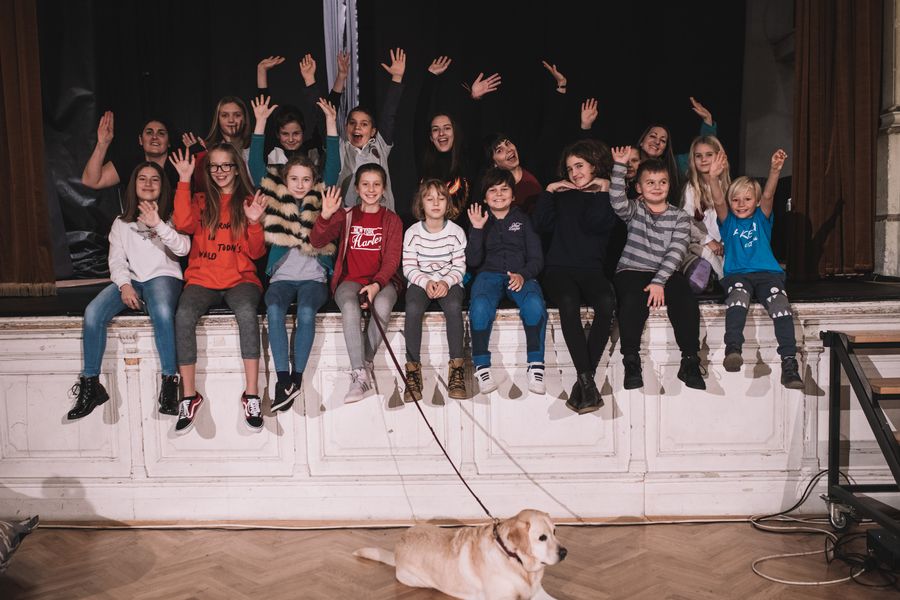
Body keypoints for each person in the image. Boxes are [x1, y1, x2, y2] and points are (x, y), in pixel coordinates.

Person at [66, 162, 190, 420]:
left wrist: (159, 224)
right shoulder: (122, 222)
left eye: (154, 179)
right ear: (134, 185)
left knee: (162, 311)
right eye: (142, 178)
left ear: (162, 185)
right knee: (93, 312)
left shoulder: (173, 215)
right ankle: (91, 384)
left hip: (163, 277)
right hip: (133, 280)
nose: (148, 184)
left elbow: (183, 249)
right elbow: (116, 260)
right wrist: (124, 285)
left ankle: (170, 383)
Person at [169, 144, 268, 434]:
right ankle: (189, 396)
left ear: (237, 169)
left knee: (247, 312)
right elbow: (183, 224)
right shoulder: (200, 200)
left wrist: (254, 222)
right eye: (214, 166)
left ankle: (251, 395)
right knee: (183, 314)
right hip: (203, 279)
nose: (220, 171)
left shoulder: (248, 201)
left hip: (240, 279)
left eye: (226, 165)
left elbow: (256, 252)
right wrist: (184, 179)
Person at [259, 98, 341, 412]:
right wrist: (260, 123)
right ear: (285, 180)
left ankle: (296, 378)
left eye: (306, 179)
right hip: (282, 278)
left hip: (313, 279)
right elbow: (255, 165)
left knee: (306, 312)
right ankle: (283, 379)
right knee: (274, 309)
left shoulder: (321, 196)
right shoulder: (275, 195)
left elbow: (333, 165)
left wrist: (331, 123)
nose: (300, 184)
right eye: (294, 179)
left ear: (313, 180)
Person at [609, 147, 706, 391]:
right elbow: (617, 200)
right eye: (650, 182)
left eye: (662, 182)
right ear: (639, 187)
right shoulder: (635, 209)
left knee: (685, 297)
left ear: (669, 185)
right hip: (632, 269)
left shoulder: (679, 217)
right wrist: (619, 167)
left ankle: (690, 360)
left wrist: (659, 281)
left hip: (665, 271)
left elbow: (677, 251)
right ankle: (631, 360)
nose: (657, 187)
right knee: (632, 300)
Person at [533, 140, 617, 414]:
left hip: (591, 270)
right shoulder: (561, 196)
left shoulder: (608, 197)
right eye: (569, 169)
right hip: (558, 269)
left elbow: (596, 223)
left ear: (594, 165)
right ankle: (587, 383)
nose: (574, 173)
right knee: (568, 302)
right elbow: (540, 223)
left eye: (579, 166)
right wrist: (549, 190)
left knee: (606, 302)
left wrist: (603, 189)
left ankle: (584, 385)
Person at [709, 149, 804, 389]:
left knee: (780, 306)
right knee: (738, 298)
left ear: (757, 201)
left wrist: (775, 170)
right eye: (736, 200)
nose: (741, 204)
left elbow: (769, 193)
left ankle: (789, 363)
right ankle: (733, 349)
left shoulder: (761, 218)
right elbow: (718, 201)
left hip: (768, 274)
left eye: (747, 199)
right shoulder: (728, 221)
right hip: (738, 275)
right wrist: (713, 178)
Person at [310, 164, 403, 404]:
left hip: (382, 280)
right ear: (357, 189)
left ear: (384, 189)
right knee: (350, 306)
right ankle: (358, 372)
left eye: (376, 184)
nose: (371, 189)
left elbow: (392, 260)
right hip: (349, 280)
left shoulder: (392, 220)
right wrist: (325, 216)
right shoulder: (347, 215)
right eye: (365, 184)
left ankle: (365, 365)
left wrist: (376, 285)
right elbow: (317, 241)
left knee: (383, 305)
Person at [466, 168, 547, 395]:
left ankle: (536, 365)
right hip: (488, 275)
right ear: (484, 197)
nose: (499, 194)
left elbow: (537, 259)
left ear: (513, 195)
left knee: (534, 303)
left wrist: (523, 275)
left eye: (504, 189)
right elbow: (472, 261)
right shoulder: (479, 220)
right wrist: (477, 229)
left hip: (519, 275)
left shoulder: (523, 220)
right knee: (480, 305)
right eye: (493, 190)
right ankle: (482, 366)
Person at [402, 179, 467, 402]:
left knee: (454, 307)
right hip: (421, 282)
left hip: (449, 282)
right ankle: (412, 371)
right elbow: (409, 267)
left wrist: (446, 282)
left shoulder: (456, 232)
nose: (436, 203)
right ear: (421, 204)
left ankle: (457, 369)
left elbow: (459, 266)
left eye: (441, 198)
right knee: (412, 308)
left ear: (448, 202)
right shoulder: (412, 232)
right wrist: (425, 282)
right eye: (429, 199)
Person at [326, 48, 406, 210]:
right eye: (352, 123)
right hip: (348, 218)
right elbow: (327, 112)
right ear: (346, 127)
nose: (357, 127)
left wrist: (397, 78)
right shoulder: (340, 148)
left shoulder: (380, 146)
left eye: (364, 124)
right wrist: (341, 78)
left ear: (373, 131)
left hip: (381, 217)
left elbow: (389, 115)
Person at [680, 135, 730, 292]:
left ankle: (718, 278)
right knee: (698, 272)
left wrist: (723, 243)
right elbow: (686, 222)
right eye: (698, 156)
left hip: (724, 246)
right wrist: (708, 241)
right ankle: (709, 276)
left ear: (720, 157)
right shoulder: (691, 188)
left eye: (709, 155)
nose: (703, 160)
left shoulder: (728, 188)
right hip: (700, 244)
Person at [81, 113, 177, 189]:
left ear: (169, 142)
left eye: (161, 133)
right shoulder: (129, 164)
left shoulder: (180, 165)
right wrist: (102, 144)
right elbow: (90, 182)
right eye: (149, 132)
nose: (154, 137)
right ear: (140, 140)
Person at [182, 96, 252, 191]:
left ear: (245, 119)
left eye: (237, 115)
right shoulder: (207, 148)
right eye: (225, 115)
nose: (231, 120)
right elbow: (202, 187)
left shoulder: (254, 147)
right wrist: (200, 158)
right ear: (217, 119)